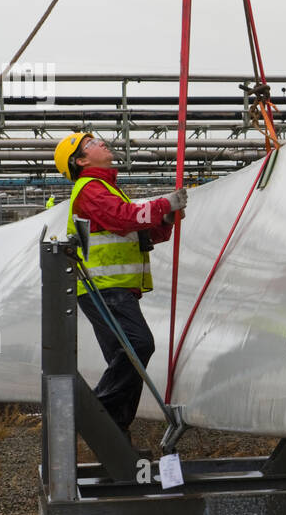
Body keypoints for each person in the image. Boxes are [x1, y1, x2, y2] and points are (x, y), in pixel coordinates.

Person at [52, 131, 187, 442]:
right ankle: (94, 413)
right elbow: (123, 218)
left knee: (126, 359)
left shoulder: (108, 189)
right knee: (138, 346)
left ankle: (113, 431)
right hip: (104, 289)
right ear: (81, 161)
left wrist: (164, 219)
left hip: (114, 289)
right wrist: (163, 203)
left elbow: (138, 234)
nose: (100, 142)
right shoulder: (91, 189)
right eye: (90, 144)